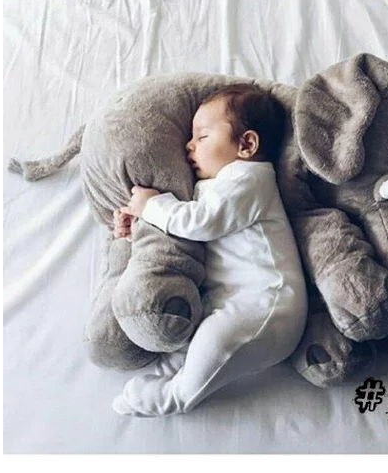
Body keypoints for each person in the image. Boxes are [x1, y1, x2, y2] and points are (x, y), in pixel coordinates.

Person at [111, 84, 308, 416]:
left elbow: (201, 222)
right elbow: (186, 238)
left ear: (247, 144)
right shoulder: (217, 186)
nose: (189, 146)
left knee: (215, 345)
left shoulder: (250, 178)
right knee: (192, 346)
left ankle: (174, 397)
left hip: (268, 306)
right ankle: (161, 378)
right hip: (228, 301)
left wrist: (152, 206)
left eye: (202, 137)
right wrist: (140, 230)